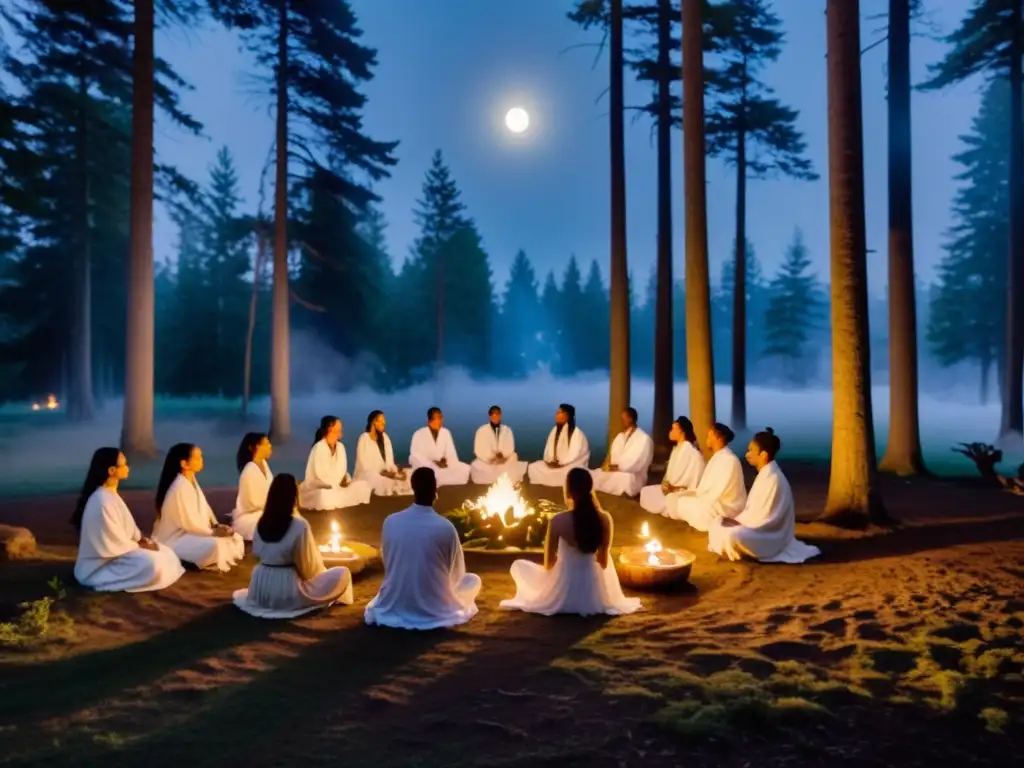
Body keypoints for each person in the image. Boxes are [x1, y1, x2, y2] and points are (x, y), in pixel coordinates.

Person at [501, 467, 642, 616]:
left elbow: (549, 564)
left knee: (519, 567)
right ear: (590, 487)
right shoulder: (605, 519)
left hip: (565, 590)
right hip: (596, 594)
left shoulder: (558, 521)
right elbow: (604, 562)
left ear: (568, 491)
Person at [364, 467, 481, 630]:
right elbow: (456, 572)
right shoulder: (445, 526)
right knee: (472, 580)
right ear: (435, 491)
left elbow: (389, 561)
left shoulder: (391, 521)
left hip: (396, 600)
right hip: (436, 606)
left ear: (412, 488)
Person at [234, 474, 354, 618]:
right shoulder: (299, 525)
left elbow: (257, 554)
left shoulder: (262, 522)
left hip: (260, 586)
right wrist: (320, 574)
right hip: (286, 588)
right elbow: (308, 567)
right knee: (343, 573)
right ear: (293, 497)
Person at [72, 447, 184, 592]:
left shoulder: (111, 495)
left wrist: (141, 541)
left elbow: (129, 531)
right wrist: (138, 546)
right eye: (124, 464)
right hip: (102, 565)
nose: (127, 468)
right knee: (153, 564)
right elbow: (112, 543)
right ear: (112, 471)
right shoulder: (101, 500)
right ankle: (105, 579)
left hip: (123, 552)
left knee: (166, 552)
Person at [708, 428, 822, 563]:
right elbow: (753, 510)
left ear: (764, 455)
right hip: (751, 526)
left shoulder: (773, 478)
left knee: (734, 536)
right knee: (716, 522)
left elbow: (766, 520)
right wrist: (735, 520)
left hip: (769, 536)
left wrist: (739, 524)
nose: (747, 454)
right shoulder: (764, 474)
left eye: (751, 450)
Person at [152, 443, 245, 572]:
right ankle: (183, 559)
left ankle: (197, 558)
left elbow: (206, 512)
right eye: (197, 457)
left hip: (197, 534)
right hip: (177, 539)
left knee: (236, 538)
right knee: (215, 545)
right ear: (184, 463)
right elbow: (188, 523)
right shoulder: (179, 488)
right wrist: (212, 533)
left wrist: (217, 526)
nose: (202, 460)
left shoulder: (191, 481)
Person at [667, 423, 746, 532]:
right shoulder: (717, 457)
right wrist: (691, 493)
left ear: (719, 438)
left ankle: (705, 525)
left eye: (709, 436)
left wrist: (697, 497)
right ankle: (695, 520)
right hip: (710, 499)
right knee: (673, 498)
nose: (707, 439)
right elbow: (704, 488)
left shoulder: (730, 460)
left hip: (725, 507)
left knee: (691, 505)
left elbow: (718, 492)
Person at [300, 416, 371, 511]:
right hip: (321, 487)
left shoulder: (341, 446)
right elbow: (320, 475)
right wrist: (335, 483)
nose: (341, 428)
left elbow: (342, 469)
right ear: (330, 428)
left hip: (338, 487)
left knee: (363, 486)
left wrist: (345, 478)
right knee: (324, 496)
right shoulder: (319, 447)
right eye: (339, 425)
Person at [639, 416, 706, 516]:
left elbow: (694, 482)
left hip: (681, 492)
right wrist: (666, 485)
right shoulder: (676, 449)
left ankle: (667, 507)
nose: (670, 432)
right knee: (645, 491)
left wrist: (674, 488)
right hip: (668, 489)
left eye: (673, 429)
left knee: (666, 500)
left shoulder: (693, 453)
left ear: (681, 431)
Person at [591, 407, 655, 497]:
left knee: (625, 478)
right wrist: (609, 466)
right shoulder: (620, 436)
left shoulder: (643, 439)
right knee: (598, 474)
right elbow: (613, 457)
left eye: (624, 418)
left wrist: (616, 468)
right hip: (616, 470)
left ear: (631, 419)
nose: (622, 421)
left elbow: (636, 463)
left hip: (634, 475)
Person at [527, 404, 590, 487]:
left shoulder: (576, 433)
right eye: (557, 413)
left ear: (567, 416)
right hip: (555, 465)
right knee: (534, 467)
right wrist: (549, 461)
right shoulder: (554, 430)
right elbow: (548, 449)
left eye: (559, 413)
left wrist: (561, 463)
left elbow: (575, 453)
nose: (556, 415)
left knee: (571, 472)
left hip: (570, 464)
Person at [408, 407, 471, 487]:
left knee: (465, 468)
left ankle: (446, 483)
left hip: (443, 465)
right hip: (427, 464)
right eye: (438, 418)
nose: (441, 421)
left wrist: (445, 461)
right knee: (429, 471)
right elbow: (416, 454)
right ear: (430, 420)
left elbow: (451, 452)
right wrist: (434, 463)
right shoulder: (419, 434)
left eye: (441, 418)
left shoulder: (446, 432)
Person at [354, 410, 412, 496]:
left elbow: (390, 462)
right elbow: (364, 465)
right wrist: (382, 472)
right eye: (381, 421)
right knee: (379, 480)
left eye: (384, 420)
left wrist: (395, 472)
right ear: (373, 422)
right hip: (370, 474)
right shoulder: (364, 438)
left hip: (386, 472)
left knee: (410, 473)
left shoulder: (385, 437)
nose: (383, 423)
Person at [231, 432, 274, 541]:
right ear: (253, 447)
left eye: (269, 443)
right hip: (250, 516)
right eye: (266, 444)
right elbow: (251, 503)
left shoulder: (264, 464)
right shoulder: (249, 470)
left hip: (264, 511)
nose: (270, 446)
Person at [470, 405, 528, 485]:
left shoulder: (507, 430)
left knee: (514, 456)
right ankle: (500, 477)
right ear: (490, 416)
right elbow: (478, 449)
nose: (496, 416)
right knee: (475, 464)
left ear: (500, 415)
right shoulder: (481, 430)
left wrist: (503, 456)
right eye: (494, 414)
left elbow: (511, 446)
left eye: (498, 414)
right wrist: (491, 458)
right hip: (488, 461)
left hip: (504, 459)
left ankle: (506, 478)